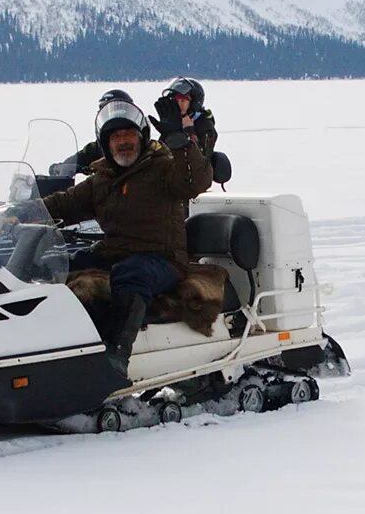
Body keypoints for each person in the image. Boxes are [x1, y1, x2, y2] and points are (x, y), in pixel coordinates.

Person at [21, 97, 213, 380]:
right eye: (116, 137)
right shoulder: (103, 178)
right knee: (55, 264)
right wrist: (19, 212)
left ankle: (115, 357)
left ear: (141, 137)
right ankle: (38, 344)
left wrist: (180, 141)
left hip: (162, 259)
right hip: (114, 253)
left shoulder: (163, 168)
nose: (123, 142)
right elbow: (64, 203)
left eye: (129, 135)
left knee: (131, 273)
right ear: (106, 143)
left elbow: (195, 181)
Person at [49, 88, 133, 176]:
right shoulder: (96, 148)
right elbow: (73, 162)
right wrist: (60, 168)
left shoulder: (138, 147)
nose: (122, 141)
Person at [159, 76, 218, 158]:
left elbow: (202, 156)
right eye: (175, 100)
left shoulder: (205, 125)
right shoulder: (173, 122)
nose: (178, 104)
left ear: (194, 103)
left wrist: (189, 130)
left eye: (182, 100)